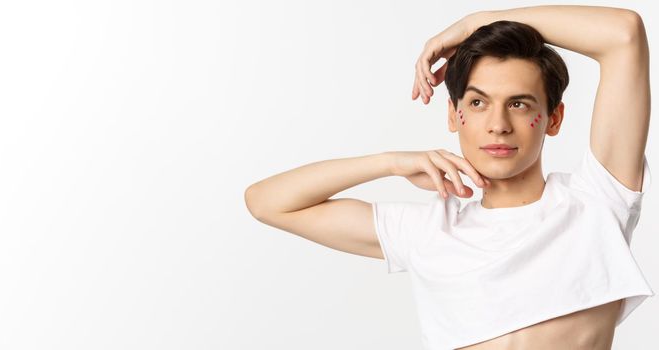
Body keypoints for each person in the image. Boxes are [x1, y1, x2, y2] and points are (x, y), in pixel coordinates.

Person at [244, 5, 651, 350]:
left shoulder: (596, 200)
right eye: (477, 103)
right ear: (454, 116)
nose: (498, 124)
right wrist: (391, 162)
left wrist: (478, 22)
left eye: (519, 104)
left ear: (552, 119)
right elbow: (267, 201)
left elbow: (624, 34)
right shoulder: (430, 230)